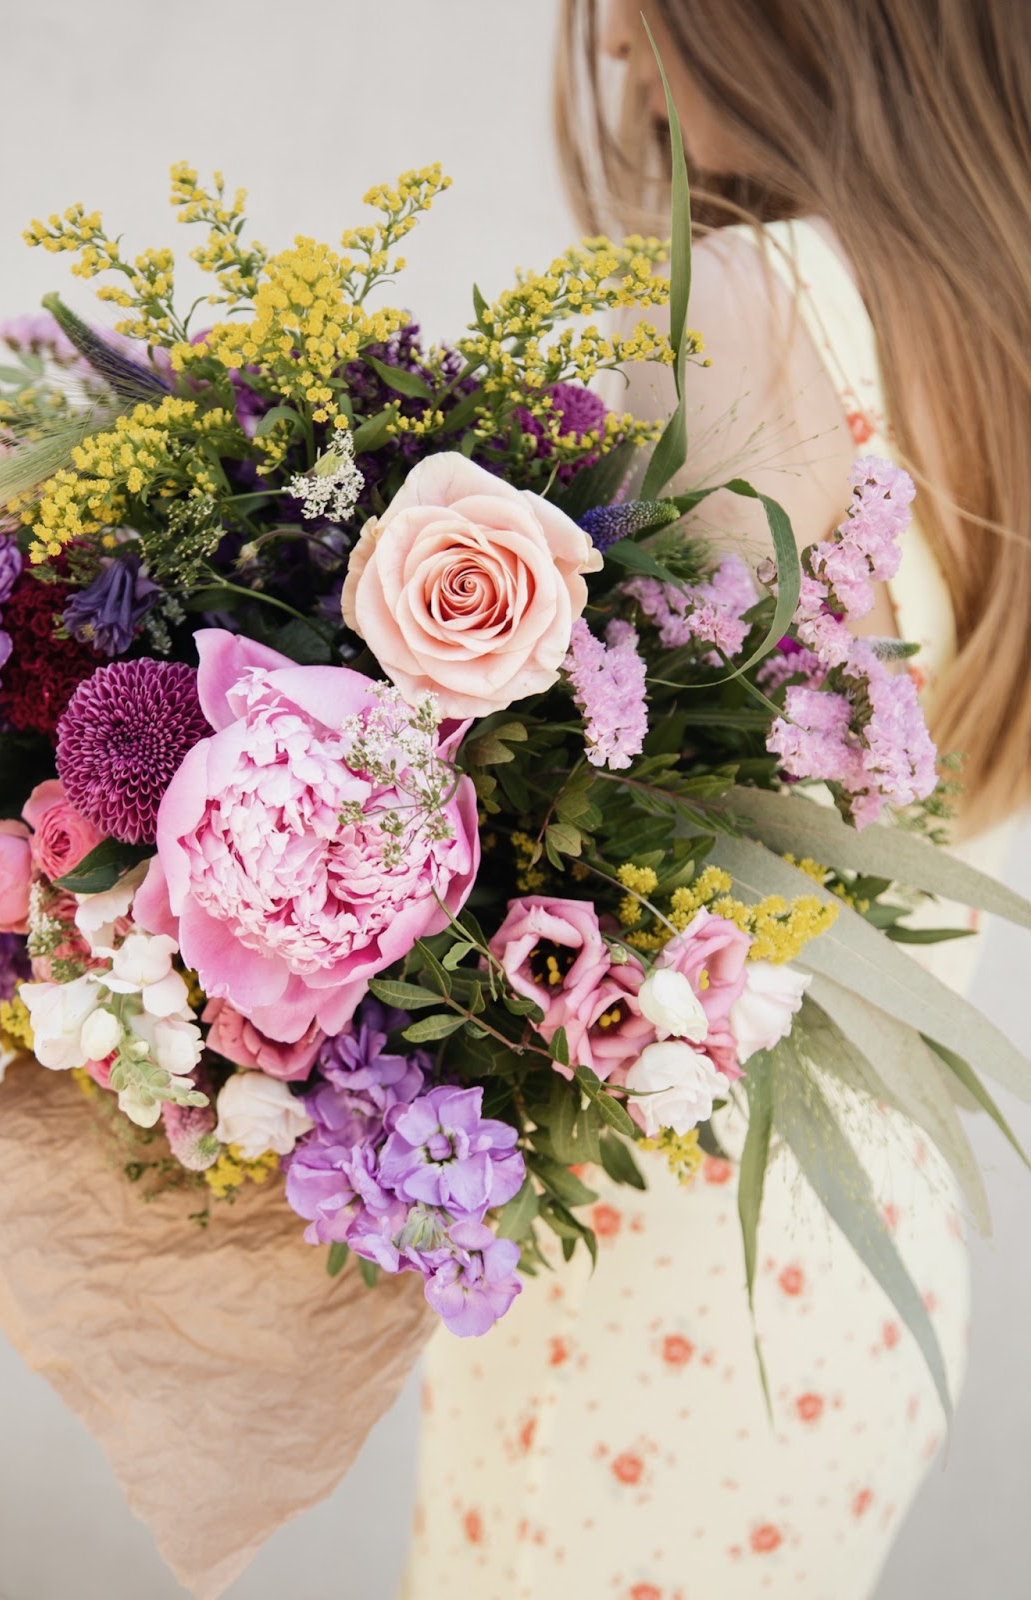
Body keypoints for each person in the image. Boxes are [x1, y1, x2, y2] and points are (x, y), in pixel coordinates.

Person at [399, 2, 1030, 1595]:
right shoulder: (981, 347)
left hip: (657, 1263)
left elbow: (611, 831)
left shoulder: (739, 303)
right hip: (859, 1266)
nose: (614, 37)